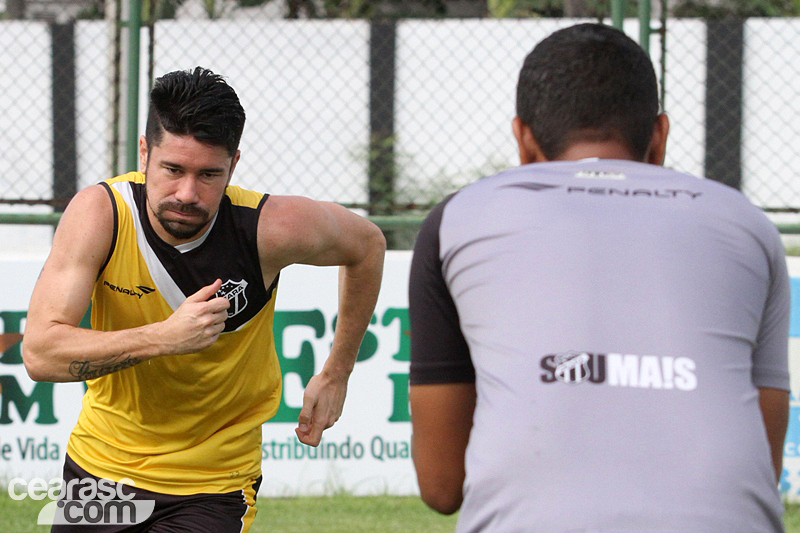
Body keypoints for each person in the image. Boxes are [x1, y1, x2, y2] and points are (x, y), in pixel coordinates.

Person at [408, 23, 790, 533]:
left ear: (523, 140)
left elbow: (441, 485)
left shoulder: (458, 217)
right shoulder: (748, 224)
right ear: (659, 137)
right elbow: (762, 468)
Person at [23, 66, 386, 532]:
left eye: (209, 174)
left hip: (213, 486)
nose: (187, 193)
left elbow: (367, 246)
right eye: (172, 170)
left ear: (233, 165)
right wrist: (164, 337)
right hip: (99, 469)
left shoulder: (270, 227)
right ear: (144, 153)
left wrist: (337, 373)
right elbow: (40, 354)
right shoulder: (102, 214)